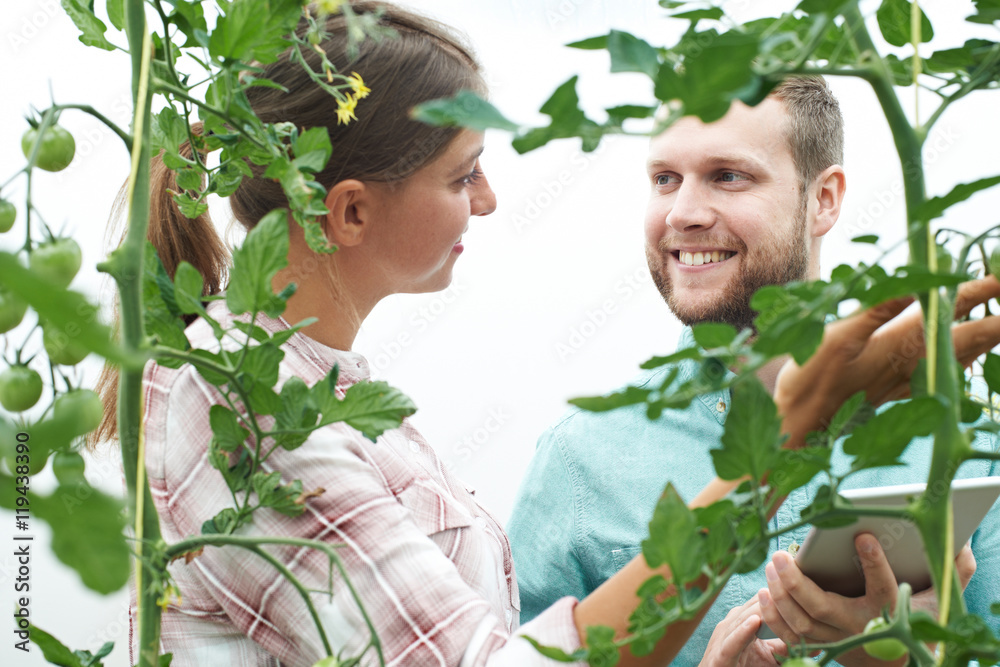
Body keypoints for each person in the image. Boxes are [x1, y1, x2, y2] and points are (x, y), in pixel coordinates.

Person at [96, 5, 1000, 665]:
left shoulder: (326, 395)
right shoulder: (253, 413)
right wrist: (800, 422)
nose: (488, 200)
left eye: (728, 175)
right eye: (464, 174)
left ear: (828, 198)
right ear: (352, 210)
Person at [506, 76, 1000, 667]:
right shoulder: (580, 461)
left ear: (824, 199)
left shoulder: (964, 441)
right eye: (664, 179)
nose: (683, 213)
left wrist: (908, 660)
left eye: (727, 176)